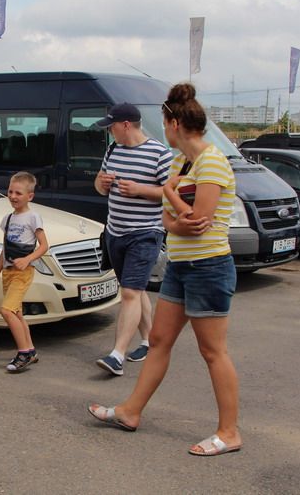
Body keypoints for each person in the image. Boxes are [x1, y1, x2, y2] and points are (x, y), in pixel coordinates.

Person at [87, 83, 242, 457]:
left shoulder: (212, 161)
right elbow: (172, 222)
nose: (163, 130)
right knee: (158, 340)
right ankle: (130, 411)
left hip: (209, 266)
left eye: (164, 123)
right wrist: (174, 208)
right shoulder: (180, 162)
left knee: (212, 351)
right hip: (180, 265)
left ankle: (229, 432)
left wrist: (172, 197)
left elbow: (197, 218)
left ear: (174, 123)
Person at [93, 103, 172, 376]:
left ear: (126, 124)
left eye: (111, 125)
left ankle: (117, 355)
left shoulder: (160, 154)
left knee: (128, 292)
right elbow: (99, 184)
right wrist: (101, 184)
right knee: (135, 290)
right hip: (115, 231)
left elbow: (171, 193)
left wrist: (140, 189)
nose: (109, 130)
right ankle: (150, 342)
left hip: (145, 232)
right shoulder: (113, 149)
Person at [0, 171, 49, 372]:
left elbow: (44, 245)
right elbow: (6, 247)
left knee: (6, 310)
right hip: (8, 272)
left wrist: (28, 259)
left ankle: (23, 353)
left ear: (30, 196)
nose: (13, 196)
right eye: (11, 192)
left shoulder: (33, 217)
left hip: (23, 273)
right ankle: (30, 350)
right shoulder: (8, 219)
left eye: (18, 193)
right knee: (17, 312)